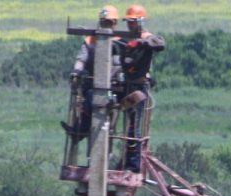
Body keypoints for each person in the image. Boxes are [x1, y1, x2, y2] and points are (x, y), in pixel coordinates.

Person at [66, 6, 122, 153]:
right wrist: (76, 71)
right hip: (91, 84)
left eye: (109, 22)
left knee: (105, 123)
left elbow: (118, 64)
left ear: (115, 23)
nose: (106, 25)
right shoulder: (90, 39)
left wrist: (116, 78)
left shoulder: (119, 41)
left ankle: (81, 132)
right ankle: (81, 131)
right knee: (90, 99)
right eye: (104, 22)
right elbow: (81, 59)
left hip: (113, 87)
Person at [118, 4, 165, 173]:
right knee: (115, 121)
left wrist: (142, 42)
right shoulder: (123, 39)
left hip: (139, 87)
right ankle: (122, 160)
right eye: (128, 22)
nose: (129, 25)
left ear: (140, 21)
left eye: (132, 22)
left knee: (133, 126)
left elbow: (160, 43)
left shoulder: (148, 39)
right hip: (125, 86)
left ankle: (133, 164)